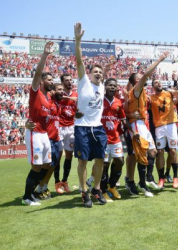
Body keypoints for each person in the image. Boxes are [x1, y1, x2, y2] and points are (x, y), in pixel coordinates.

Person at [74, 23, 107, 208]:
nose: (98, 73)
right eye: (96, 71)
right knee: (83, 161)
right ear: (90, 74)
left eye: (100, 72)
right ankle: (83, 192)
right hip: (83, 127)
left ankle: (96, 188)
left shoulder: (101, 86)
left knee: (101, 159)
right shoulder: (84, 81)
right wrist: (78, 40)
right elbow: (79, 61)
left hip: (98, 127)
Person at [127, 52, 169, 196]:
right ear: (135, 82)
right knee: (142, 155)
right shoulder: (136, 91)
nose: (142, 78)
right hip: (137, 125)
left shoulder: (143, 92)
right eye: (138, 78)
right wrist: (159, 60)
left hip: (142, 124)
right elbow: (145, 75)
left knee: (153, 151)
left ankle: (148, 178)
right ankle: (142, 184)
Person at [22, 41, 54, 206]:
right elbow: (37, 74)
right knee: (37, 165)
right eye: (49, 79)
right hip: (35, 133)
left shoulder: (49, 98)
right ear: (41, 81)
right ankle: (27, 197)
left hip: (44, 135)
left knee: (47, 164)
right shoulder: (36, 92)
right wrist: (45, 55)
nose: (52, 81)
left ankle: (33, 191)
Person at [55, 73, 78, 194]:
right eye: (67, 80)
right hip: (59, 127)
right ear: (62, 82)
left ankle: (64, 181)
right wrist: (67, 98)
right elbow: (53, 96)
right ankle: (57, 182)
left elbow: (78, 104)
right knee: (58, 157)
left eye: (71, 80)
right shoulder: (58, 93)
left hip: (71, 127)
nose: (70, 82)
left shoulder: (75, 94)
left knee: (69, 156)